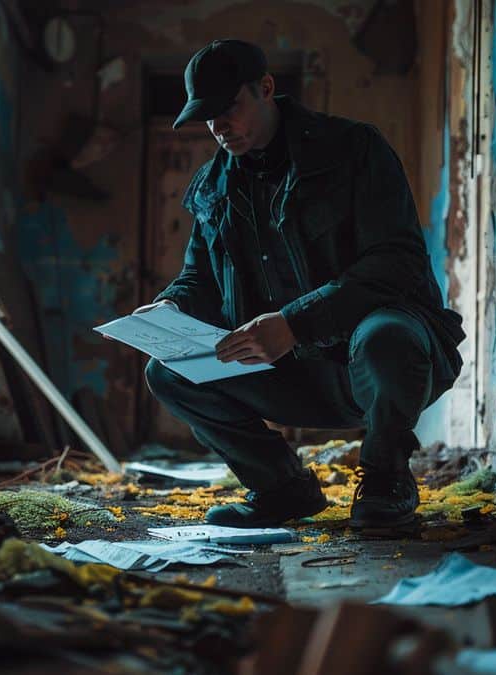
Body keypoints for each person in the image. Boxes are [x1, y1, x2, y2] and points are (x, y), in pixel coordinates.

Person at [134, 39, 465, 529]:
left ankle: (386, 478)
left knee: (386, 335)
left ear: (267, 88)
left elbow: (397, 261)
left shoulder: (354, 149)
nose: (219, 127)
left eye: (229, 108)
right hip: (289, 376)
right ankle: (281, 487)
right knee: (165, 372)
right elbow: (198, 278)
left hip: (376, 365)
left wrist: (294, 323)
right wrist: (167, 308)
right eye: (208, 117)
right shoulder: (212, 186)